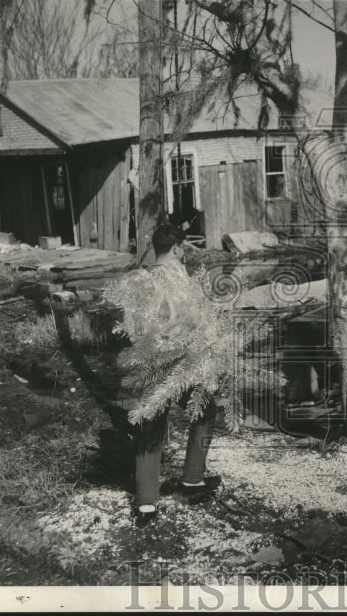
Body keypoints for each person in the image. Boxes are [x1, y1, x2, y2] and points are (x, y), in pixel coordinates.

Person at [130, 224, 220, 527]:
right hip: (179, 361)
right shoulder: (180, 277)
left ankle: (145, 506)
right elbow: (195, 320)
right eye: (182, 249)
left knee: (151, 427)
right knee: (206, 410)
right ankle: (191, 480)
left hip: (148, 361)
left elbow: (129, 326)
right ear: (178, 249)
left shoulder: (139, 280)